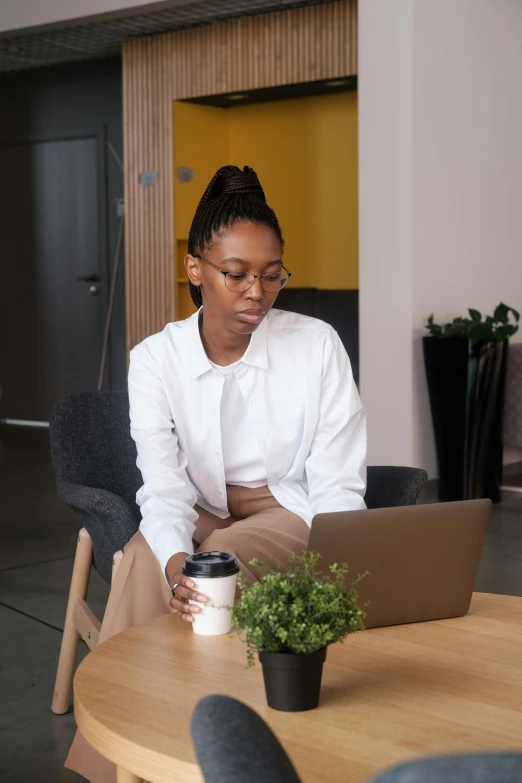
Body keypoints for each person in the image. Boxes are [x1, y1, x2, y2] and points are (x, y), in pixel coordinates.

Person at [66, 165, 367, 782]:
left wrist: (345, 561)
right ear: (196, 269)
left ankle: (204, 754)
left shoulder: (316, 345)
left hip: (286, 510)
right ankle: (116, 765)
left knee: (221, 564)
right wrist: (175, 556)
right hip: (196, 505)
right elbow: (164, 483)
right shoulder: (155, 360)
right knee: (152, 563)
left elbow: (338, 481)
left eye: (271, 274)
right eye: (236, 274)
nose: (256, 292)